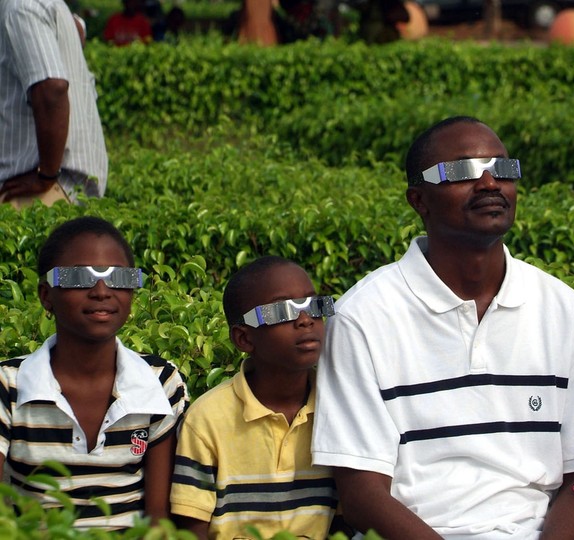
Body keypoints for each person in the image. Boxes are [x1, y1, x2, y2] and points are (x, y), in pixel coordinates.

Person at [311, 116, 574, 539]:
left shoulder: (562, 309)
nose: (489, 183)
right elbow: (362, 495)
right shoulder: (363, 316)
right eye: (462, 171)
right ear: (419, 200)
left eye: (502, 168)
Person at [0, 216, 187, 530]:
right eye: (78, 278)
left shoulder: (160, 382)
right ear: (46, 295)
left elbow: (158, 518)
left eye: (120, 278)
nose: (102, 290)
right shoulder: (9, 386)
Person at [170, 256, 343, 539]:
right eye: (280, 311)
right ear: (244, 338)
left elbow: (346, 520)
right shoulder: (207, 420)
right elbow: (191, 527)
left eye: (314, 305)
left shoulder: (339, 408)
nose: (305, 321)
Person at [0, 0, 108, 208]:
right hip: (57, 187)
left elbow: (52, 88)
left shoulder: (19, 7)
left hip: (48, 191)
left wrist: (46, 174)